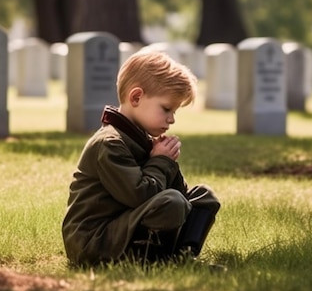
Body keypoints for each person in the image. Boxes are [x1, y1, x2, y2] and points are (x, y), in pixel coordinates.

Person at [62, 50, 221, 266]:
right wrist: (161, 161)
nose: (172, 119)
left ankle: (183, 257)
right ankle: (155, 261)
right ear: (136, 97)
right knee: (171, 203)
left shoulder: (141, 139)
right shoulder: (110, 143)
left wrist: (168, 162)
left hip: (123, 228)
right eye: (166, 109)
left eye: (174, 111)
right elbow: (140, 196)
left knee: (204, 196)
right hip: (95, 241)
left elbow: (181, 195)